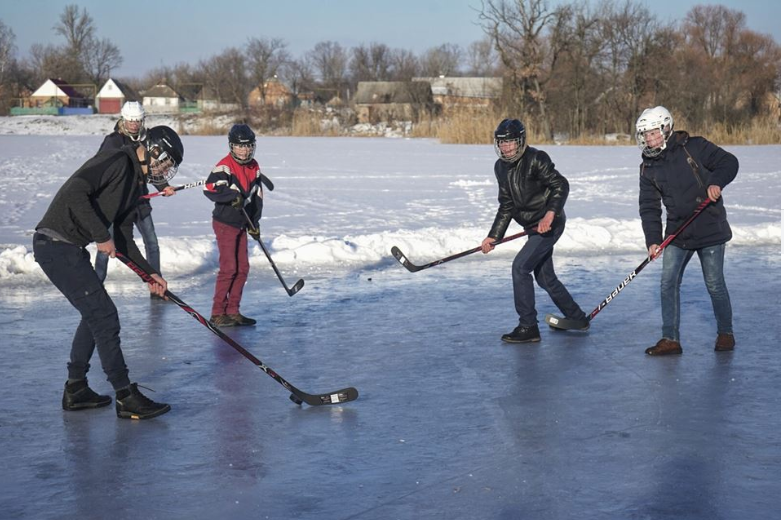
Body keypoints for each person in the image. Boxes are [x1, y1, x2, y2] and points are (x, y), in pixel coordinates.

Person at [33, 126, 184, 420]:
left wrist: (150, 274)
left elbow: (124, 239)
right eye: (165, 162)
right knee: (104, 316)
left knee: (95, 314)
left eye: (169, 167)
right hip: (54, 244)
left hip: (69, 249)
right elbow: (77, 191)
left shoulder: (135, 185)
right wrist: (101, 235)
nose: (165, 170)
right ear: (153, 150)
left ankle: (76, 388)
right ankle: (125, 396)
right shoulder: (117, 161)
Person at [636, 106, 738, 356]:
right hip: (678, 231)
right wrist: (653, 240)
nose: (648, 139)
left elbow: (729, 162)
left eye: (652, 133)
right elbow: (649, 207)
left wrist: (716, 182)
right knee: (667, 283)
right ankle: (670, 339)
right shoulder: (648, 166)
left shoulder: (694, 147)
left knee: (714, 283)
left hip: (709, 225)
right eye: (644, 135)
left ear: (666, 128)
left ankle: (725, 333)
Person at [480, 118, 588, 343]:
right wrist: (494, 236)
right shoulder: (500, 167)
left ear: (520, 142)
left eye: (510, 142)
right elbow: (507, 205)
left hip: (550, 224)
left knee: (520, 267)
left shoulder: (536, 159)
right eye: (501, 143)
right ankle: (577, 317)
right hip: (531, 227)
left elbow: (561, 185)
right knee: (545, 278)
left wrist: (550, 214)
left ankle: (528, 326)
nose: (505, 148)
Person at [94, 101, 176, 297]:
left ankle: (156, 286)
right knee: (106, 246)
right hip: (116, 206)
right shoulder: (113, 141)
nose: (133, 125)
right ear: (123, 119)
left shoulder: (148, 140)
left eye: (137, 121)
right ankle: (96, 287)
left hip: (140, 203)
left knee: (152, 243)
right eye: (130, 121)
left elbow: (153, 167)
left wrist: (164, 186)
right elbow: (100, 169)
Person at [203, 124, 266, 327]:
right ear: (232, 146)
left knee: (243, 268)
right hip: (225, 222)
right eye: (240, 146)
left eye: (248, 146)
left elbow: (257, 197)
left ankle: (233, 310)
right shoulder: (224, 166)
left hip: (242, 222)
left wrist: (254, 223)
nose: (244, 150)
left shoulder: (254, 166)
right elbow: (210, 188)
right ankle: (217, 312)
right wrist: (232, 196)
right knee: (229, 268)